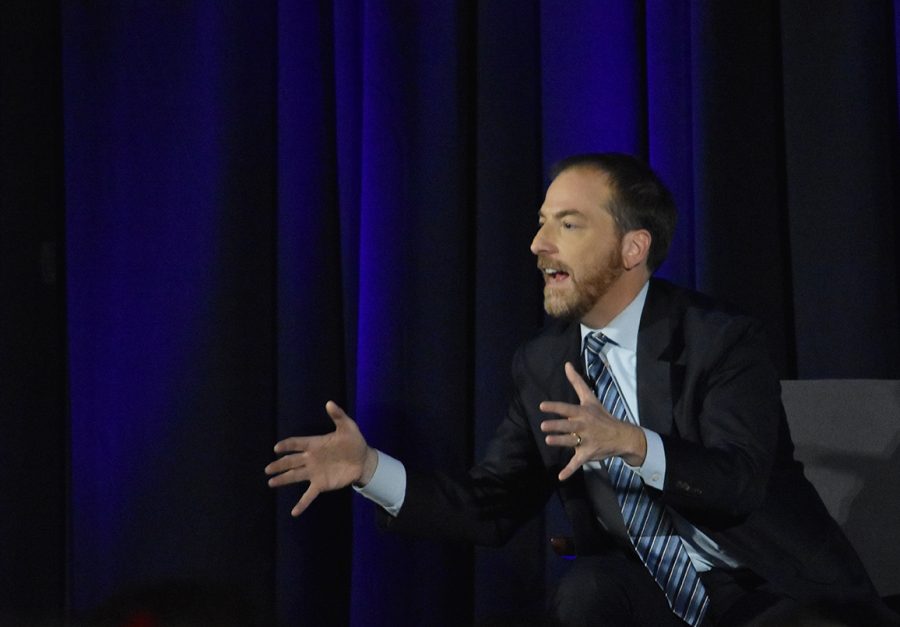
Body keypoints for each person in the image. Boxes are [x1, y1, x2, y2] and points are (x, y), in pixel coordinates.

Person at [265, 153, 893, 626]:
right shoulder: (543, 363)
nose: (539, 246)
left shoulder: (720, 341)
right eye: (542, 225)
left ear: (631, 248)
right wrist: (370, 468)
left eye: (567, 225)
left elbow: (738, 484)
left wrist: (634, 444)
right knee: (586, 591)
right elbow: (494, 504)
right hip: (649, 591)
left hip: (769, 587)